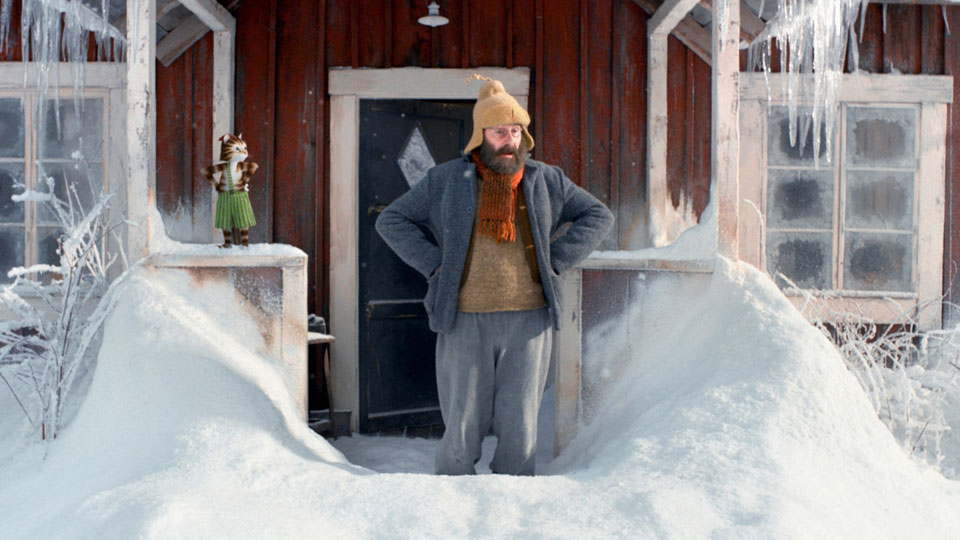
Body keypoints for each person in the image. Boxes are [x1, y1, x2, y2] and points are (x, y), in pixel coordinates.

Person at [376, 75, 614, 476]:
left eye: (517, 131)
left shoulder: (545, 180)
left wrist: (554, 260)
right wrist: (435, 264)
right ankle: (452, 499)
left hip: (529, 320)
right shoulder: (445, 180)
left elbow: (598, 215)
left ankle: (513, 503)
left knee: (519, 426)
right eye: (500, 131)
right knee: (462, 427)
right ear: (480, 136)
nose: (510, 140)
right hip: (463, 318)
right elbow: (392, 220)